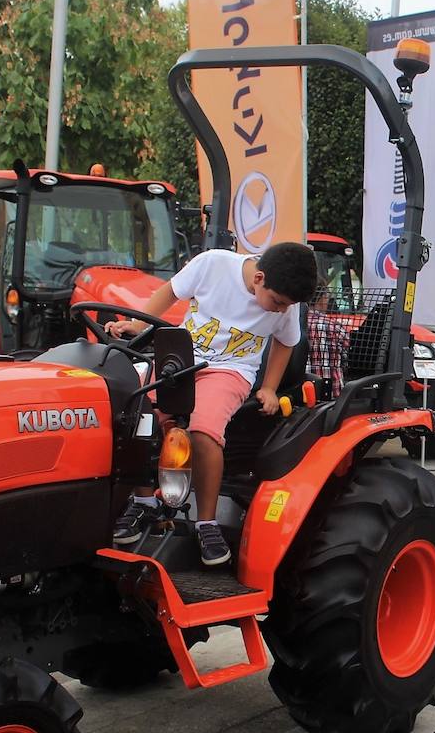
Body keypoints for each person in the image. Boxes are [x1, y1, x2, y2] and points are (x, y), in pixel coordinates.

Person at [109, 242, 318, 566]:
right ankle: (144, 501)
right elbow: (169, 292)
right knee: (137, 412)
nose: (279, 310)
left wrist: (270, 388)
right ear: (258, 278)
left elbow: (285, 342)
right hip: (181, 359)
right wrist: (137, 326)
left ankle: (207, 524)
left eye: (284, 306)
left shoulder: (284, 307)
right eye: (276, 302)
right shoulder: (212, 266)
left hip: (230, 370)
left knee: (204, 431)